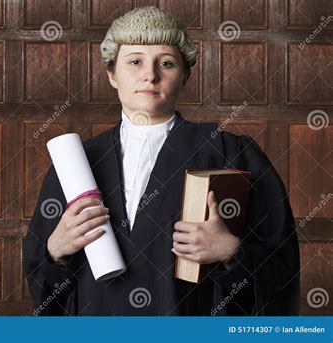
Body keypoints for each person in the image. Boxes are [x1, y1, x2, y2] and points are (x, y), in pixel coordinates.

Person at [23, 6, 300, 316]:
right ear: (112, 74)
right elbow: (42, 280)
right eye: (135, 61)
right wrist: (53, 252)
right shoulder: (76, 164)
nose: (150, 75)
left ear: (185, 75)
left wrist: (232, 252)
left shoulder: (229, 152)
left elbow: (281, 264)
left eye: (165, 63)